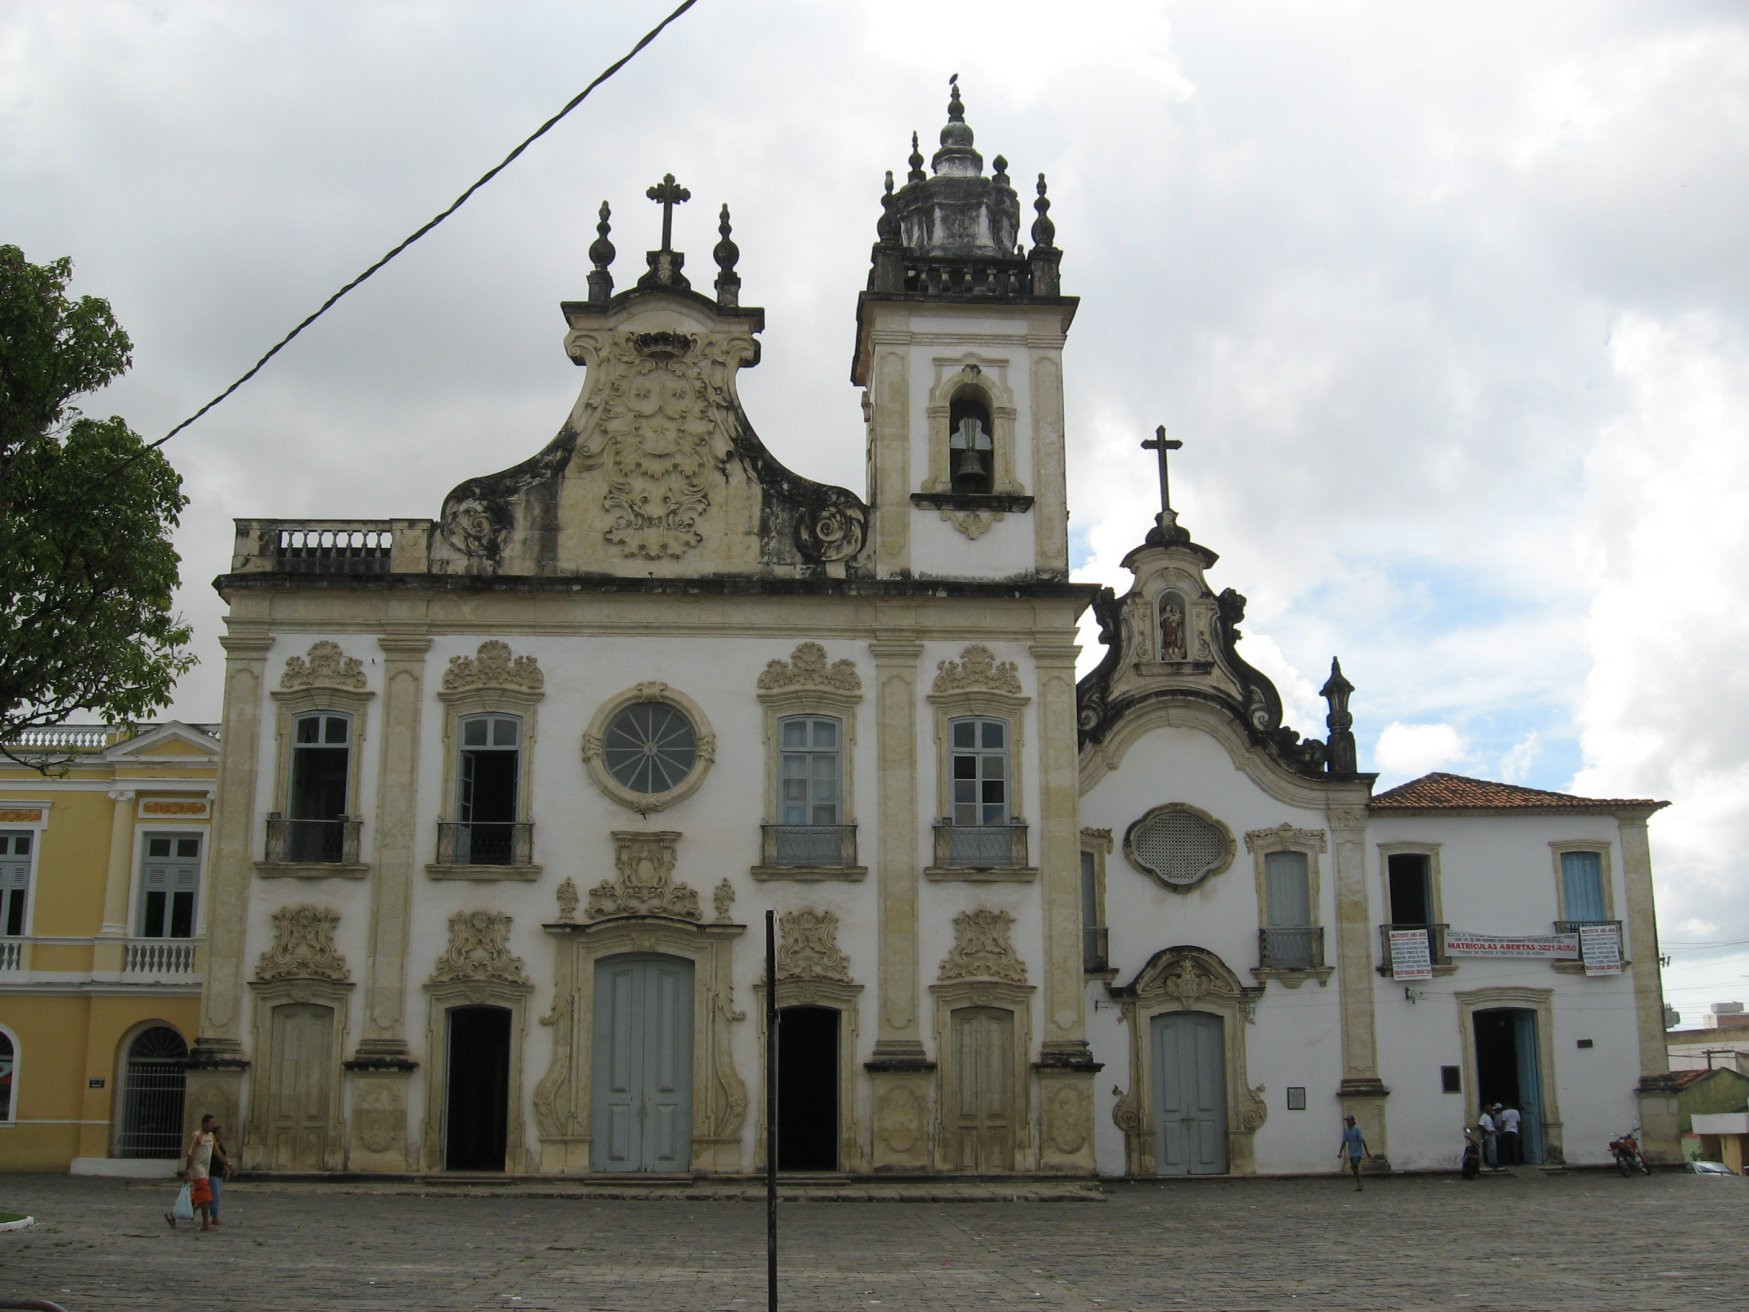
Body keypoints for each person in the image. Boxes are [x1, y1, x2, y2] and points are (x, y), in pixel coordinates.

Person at [168, 1113, 217, 1231]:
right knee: (206, 1198)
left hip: (205, 1171)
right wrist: (187, 1171)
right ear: (204, 1123)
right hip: (197, 1170)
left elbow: (217, 1152)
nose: (213, 1126)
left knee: (198, 1198)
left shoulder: (211, 1136)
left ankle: (174, 1214)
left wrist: (227, 1164)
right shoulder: (198, 1136)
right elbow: (191, 1154)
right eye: (211, 1124)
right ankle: (205, 1224)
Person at [208, 1121, 236, 1226]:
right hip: (212, 1172)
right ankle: (214, 1217)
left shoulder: (220, 1145)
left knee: (206, 1197)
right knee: (214, 1197)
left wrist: (226, 1170)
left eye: (222, 1134)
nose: (221, 1136)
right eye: (219, 1134)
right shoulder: (211, 1145)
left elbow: (222, 1159)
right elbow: (219, 1157)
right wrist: (230, 1166)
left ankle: (189, 1211)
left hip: (218, 1172)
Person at [1337, 1114, 1370, 1190]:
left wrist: (1367, 1152)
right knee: (1354, 1168)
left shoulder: (1357, 1130)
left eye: (1349, 1121)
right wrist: (1340, 1151)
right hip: (1352, 1153)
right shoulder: (1346, 1131)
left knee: (1353, 1166)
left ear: (1353, 1121)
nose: (1348, 1123)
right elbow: (1344, 1142)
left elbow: (1363, 1141)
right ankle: (1359, 1183)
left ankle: (1359, 1183)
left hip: (1358, 1153)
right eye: (1347, 1121)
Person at [1478, 1105, 1498, 1170]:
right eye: (1489, 1109)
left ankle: (1493, 1162)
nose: (1491, 1111)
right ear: (1486, 1109)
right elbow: (1480, 1125)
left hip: (1492, 1132)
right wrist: (1487, 1131)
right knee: (1492, 1149)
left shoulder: (1489, 1116)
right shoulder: (1484, 1116)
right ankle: (1492, 1163)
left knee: (1492, 1149)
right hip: (1489, 1133)